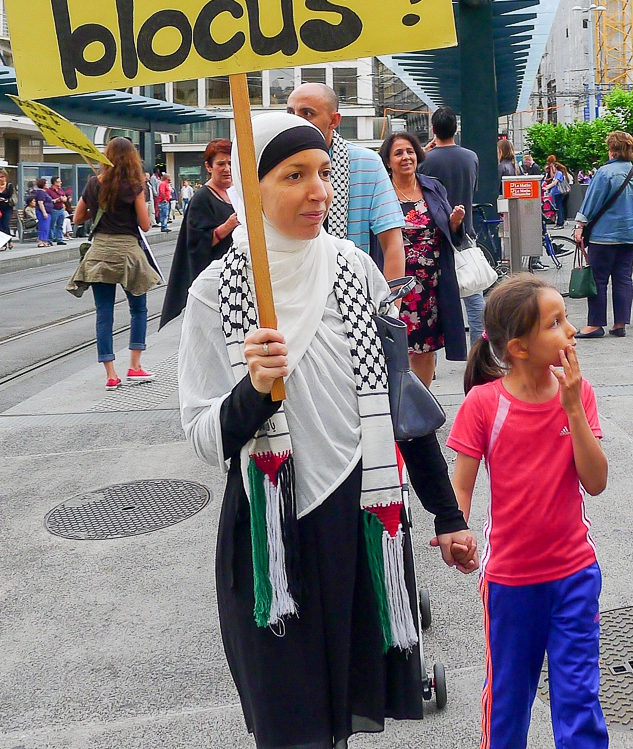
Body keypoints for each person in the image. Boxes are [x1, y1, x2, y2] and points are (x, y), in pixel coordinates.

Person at [178, 112, 476, 749]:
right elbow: (205, 438)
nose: (319, 191)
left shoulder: (355, 271)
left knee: (344, 714)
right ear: (249, 190)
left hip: (361, 525)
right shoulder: (215, 294)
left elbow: (403, 405)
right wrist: (252, 394)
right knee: (292, 728)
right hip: (271, 546)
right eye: (294, 175)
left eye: (322, 173)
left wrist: (447, 516)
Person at [450, 274, 608, 749]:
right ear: (518, 348)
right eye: (556, 323)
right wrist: (454, 532)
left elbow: (595, 482)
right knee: (508, 701)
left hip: (574, 572)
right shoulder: (483, 404)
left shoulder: (578, 395)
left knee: (579, 699)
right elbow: (461, 484)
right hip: (510, 580)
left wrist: (574, 408)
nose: (571, 330)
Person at [286, 82, 405, 282]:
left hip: (351, 291)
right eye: (291, 113)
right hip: (289, 285)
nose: (297, 121)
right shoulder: (277, 165)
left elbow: (393, 243)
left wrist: (391, 307)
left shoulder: (366, 164)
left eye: (307, 113)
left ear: (334, 120)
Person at [69, 137, 161, 389]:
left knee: (104, 314)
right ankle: (135, 366)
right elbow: (145, 224)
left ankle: (111, 374)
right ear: (133, 158)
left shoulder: (93, 183)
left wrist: (101, 207)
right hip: (128, 254)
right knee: (139, 309)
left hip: (99, 253)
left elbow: (78, 217)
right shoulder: (135, 186)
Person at [380, 131, 467, 385]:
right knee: (396, 347)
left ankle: (423, 405)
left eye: (409, 151)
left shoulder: (432, 186)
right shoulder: (382, 191)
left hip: (431, 285)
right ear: (388, 161)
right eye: (398, 153)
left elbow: (452, 234)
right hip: (396, 284)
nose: (405, 157)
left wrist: (454, 224)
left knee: (425, 348)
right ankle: (399, 406)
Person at [572, 132, 633, 339]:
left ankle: (595, 324)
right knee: (623, 278)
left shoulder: (605, 173)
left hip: (604, 235)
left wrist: (580, 225)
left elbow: (592, 201)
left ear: (612, 150)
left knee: (598, 279)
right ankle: (620, 324)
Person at [420, 105, 486, 338]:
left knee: (431, 298)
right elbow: (473, 189)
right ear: (455, 129)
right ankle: (479, 352)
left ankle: (431, 363)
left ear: (433, 129)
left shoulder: (425, 161)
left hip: (434, 234)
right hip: (465, 233)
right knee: (473, 293)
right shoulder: (471, 157)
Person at [162, 140, 240, 330]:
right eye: (221, 164)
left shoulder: (237, 192)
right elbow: (196, 244)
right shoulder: (202, 198)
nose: (227, 168)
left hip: (236, 276)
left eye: (230, 163)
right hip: (214, 280)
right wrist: (227, 226)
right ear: (209, 166)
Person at [543, 155, 571, 228]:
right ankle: (560, 222)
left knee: (559, 207)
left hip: (558, 192)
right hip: (557, 192)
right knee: (559, 207)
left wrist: (548, 187)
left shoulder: (559, 173)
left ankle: (560, 223)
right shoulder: (558, 173)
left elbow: (555, 182)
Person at [28, 177, 54, 247]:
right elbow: (40, 203)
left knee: (46, 227)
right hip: (42, 212)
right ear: (43, 185)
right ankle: (41, 241)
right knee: (43, 227)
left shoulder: (44, 192)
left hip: (47, 211)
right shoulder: (41, 193)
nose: (48, 185)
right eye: (47, 183)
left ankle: (44, 240)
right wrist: (44, 212)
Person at [48, 177, 70, 245]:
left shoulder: (60, 190)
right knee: (52, 225)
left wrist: (64, 199)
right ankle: (50, 240)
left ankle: (59, 239)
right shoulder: (49, 191)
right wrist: (55, 200)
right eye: (59, 181)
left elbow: (64, 197)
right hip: (54, 209)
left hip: (61, 209)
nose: (61, 182)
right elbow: (47, 200)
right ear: (55, 182)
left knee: (60, 225)